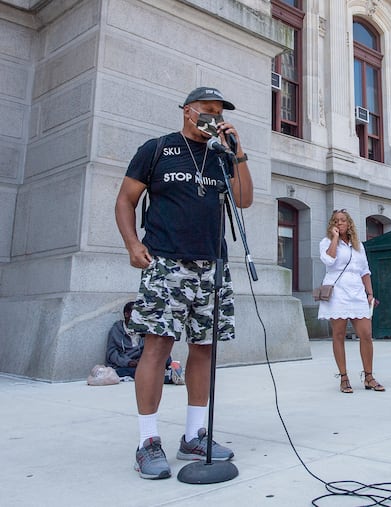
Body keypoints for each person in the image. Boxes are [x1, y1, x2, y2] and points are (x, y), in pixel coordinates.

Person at [115, 86, 253, 479]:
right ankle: (147, 441)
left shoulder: (222, 156)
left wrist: (237, 150)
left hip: (213, 266)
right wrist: (132, 243)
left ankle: (194, 434)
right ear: (188, 111)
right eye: (208, 111)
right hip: (165, 263)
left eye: (219, 113)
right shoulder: (157, 149)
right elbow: (125, 199)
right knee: (156, 349)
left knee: (205, 348)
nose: (215, 117)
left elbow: (243, 200)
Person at [318, 209, 384, 393]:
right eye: (336, 221)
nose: (339, 223)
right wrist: (334, 239)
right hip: (337, 293)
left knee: (366, 334)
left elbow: (365, 271)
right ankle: (344, 377)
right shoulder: (326, 242)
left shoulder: (358, 246)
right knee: (338, 335)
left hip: (357, 293)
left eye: (343, 221)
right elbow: (329, 261)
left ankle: (368, 376)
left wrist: (369, 293)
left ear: (349, 224)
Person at [105, 301, 176, 384]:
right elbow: (111, 354)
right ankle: (166, 378)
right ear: (126, 314)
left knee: (166, 358)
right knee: (129, 371)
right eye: (135, 313)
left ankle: (169, 374)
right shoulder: (116, 330)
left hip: (142, 361)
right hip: (126, 364)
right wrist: (128, 362)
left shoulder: (143, 328)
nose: (138, 317)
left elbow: (152, 347)